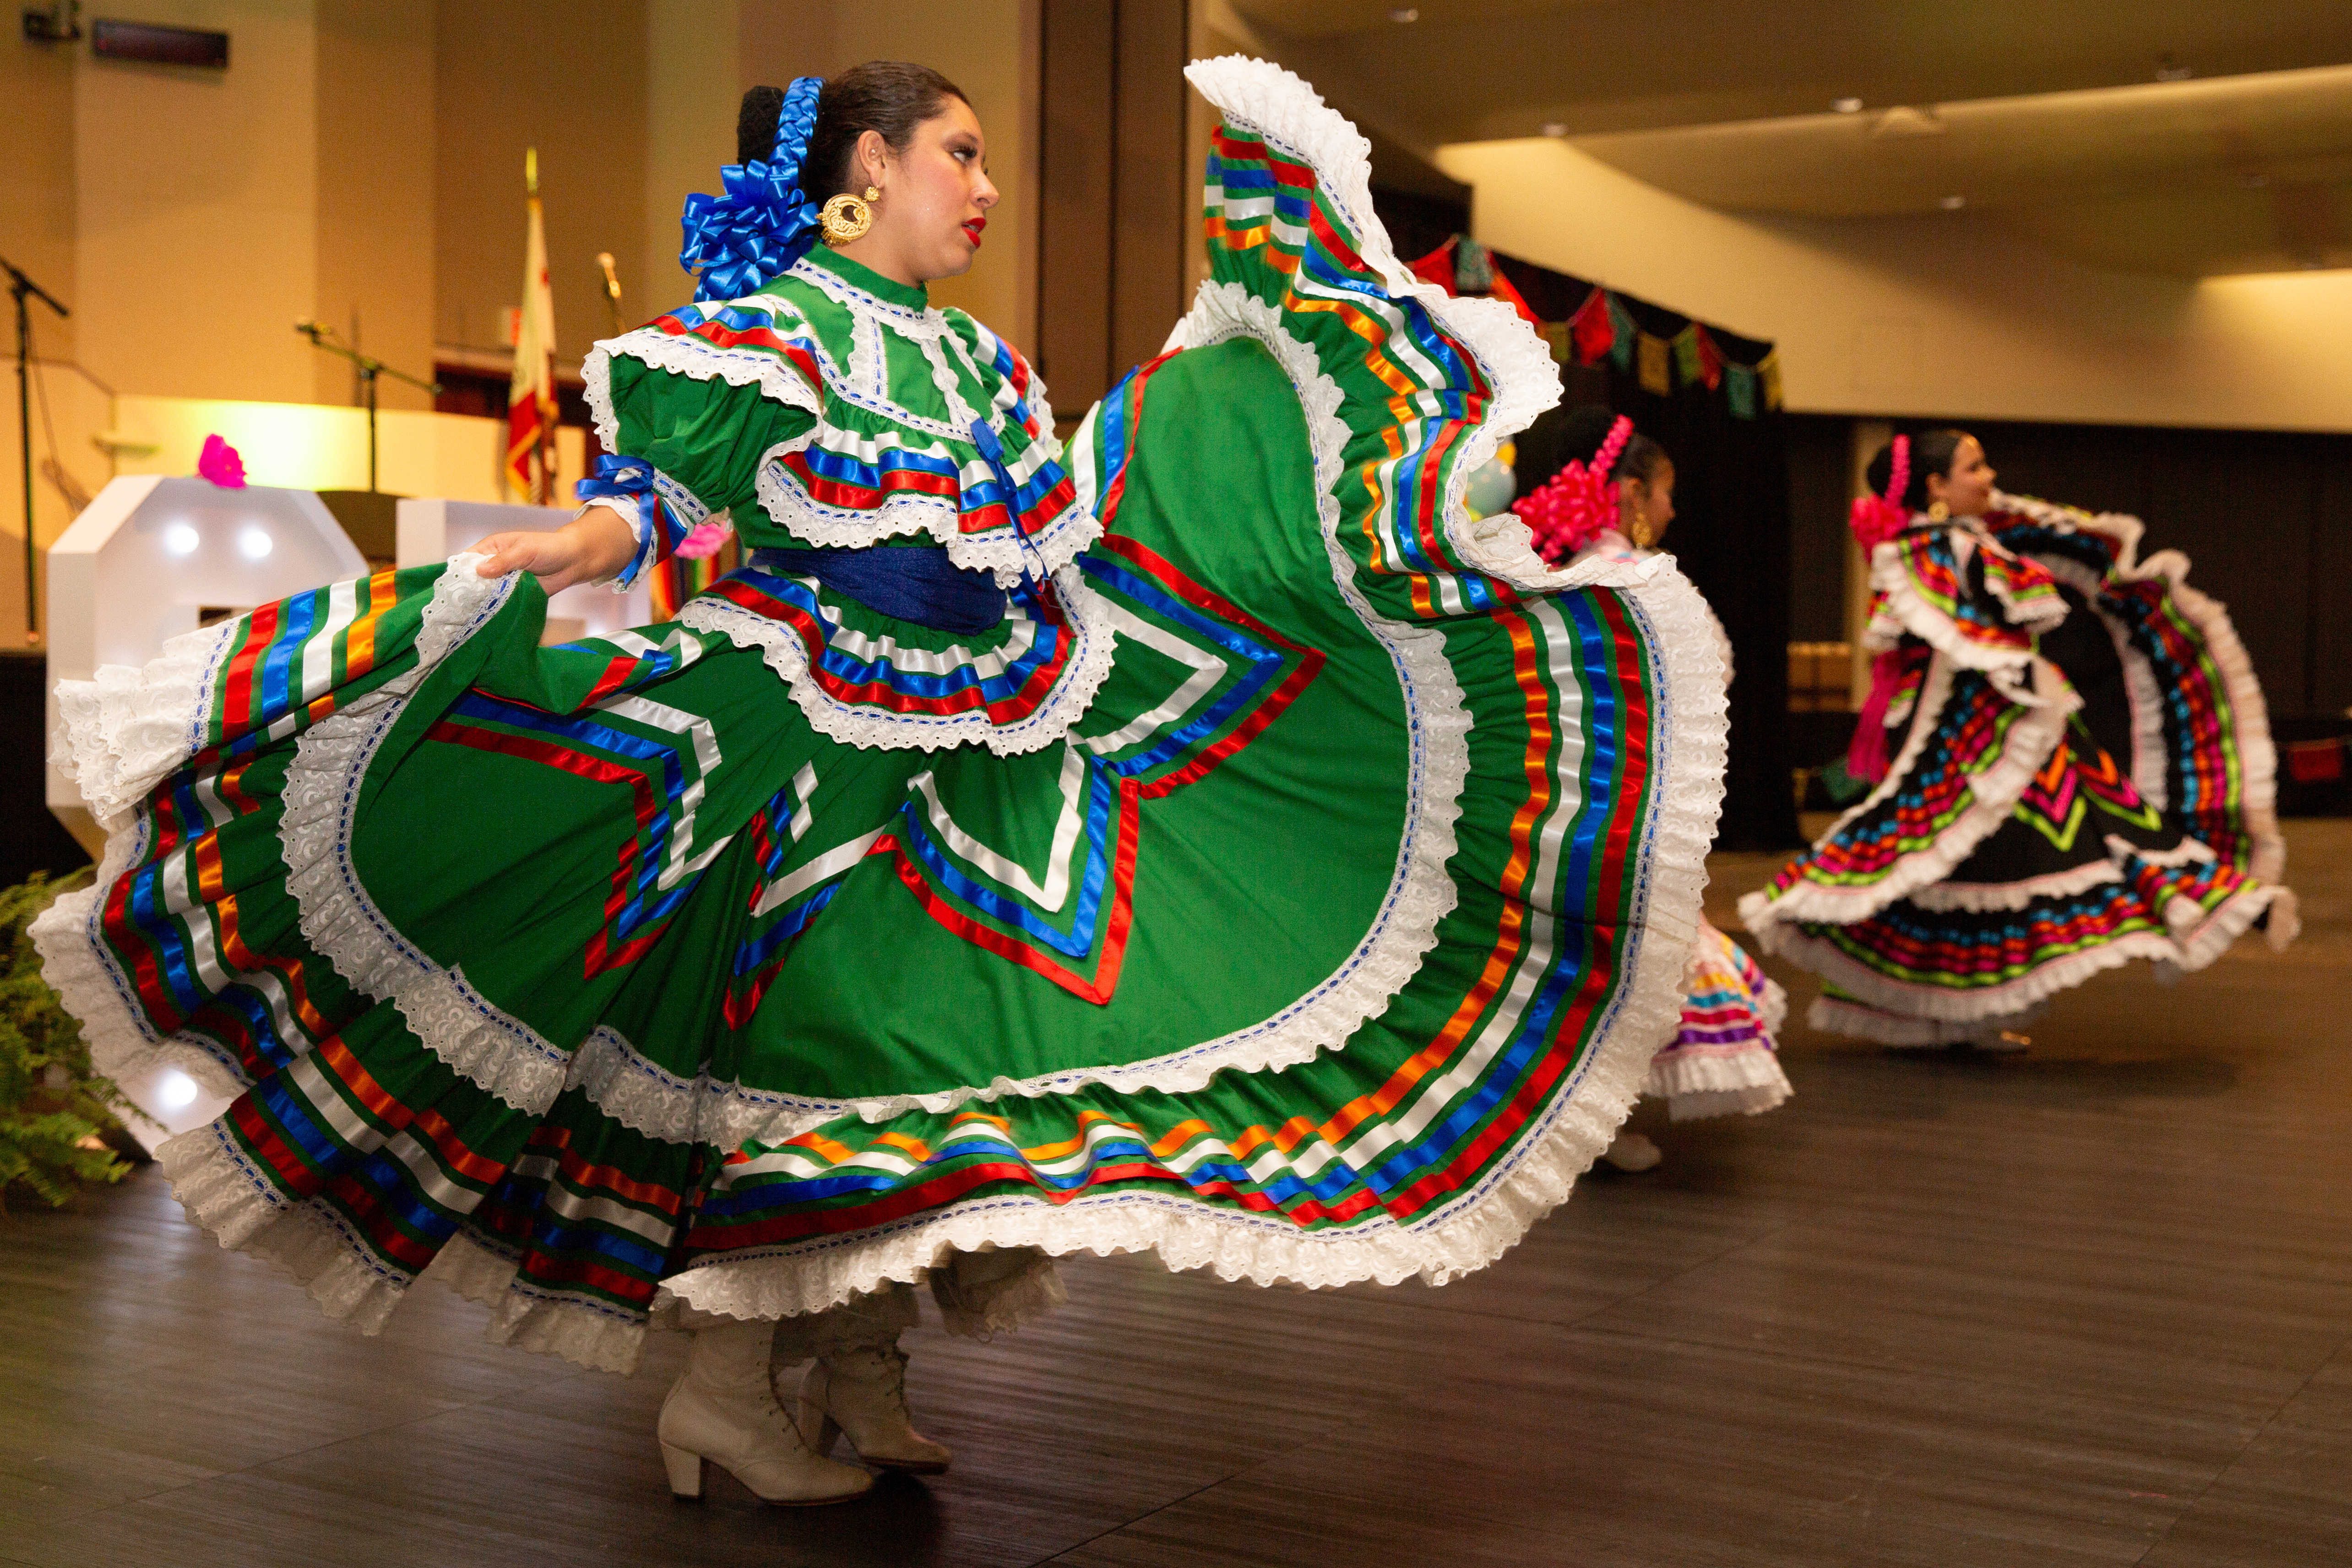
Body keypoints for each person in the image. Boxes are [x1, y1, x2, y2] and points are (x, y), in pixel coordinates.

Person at [36, 58, 1729, 1508]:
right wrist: (558, 550)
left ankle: (848, 1357)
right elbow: (665, 500)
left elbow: (1050, 542)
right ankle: (719, 1379)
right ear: (866, 171)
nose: (984, 186)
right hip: (784, 736)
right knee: (817, 1053)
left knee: (943, 1061)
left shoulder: (987, 370)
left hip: (988, 746)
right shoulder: (765, 334)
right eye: (961, 153)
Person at [1740, 430, 2298, 1046]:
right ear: (1934, 486)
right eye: (1973, 466)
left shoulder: (1957, 541)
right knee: (1975, 862)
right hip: (1958, 737)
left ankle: (1944, 1011)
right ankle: (1933, 1007)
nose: (1988, 476)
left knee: (1978, 869)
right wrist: (2011, 664)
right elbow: (1960, 630)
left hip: (1988, 730)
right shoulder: (1923, 549)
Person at [1510, 407, 1792, 1172]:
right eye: (1664, 491)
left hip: (1539, 801)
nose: (1671, 508)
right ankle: (1585, 1132)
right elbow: (1699, 694)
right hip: (1622, 807)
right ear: (1631, 491)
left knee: (1550, 964)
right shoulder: (1640, 579)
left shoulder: (1531, 573)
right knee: (1613, 967)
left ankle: (1541, 1129)